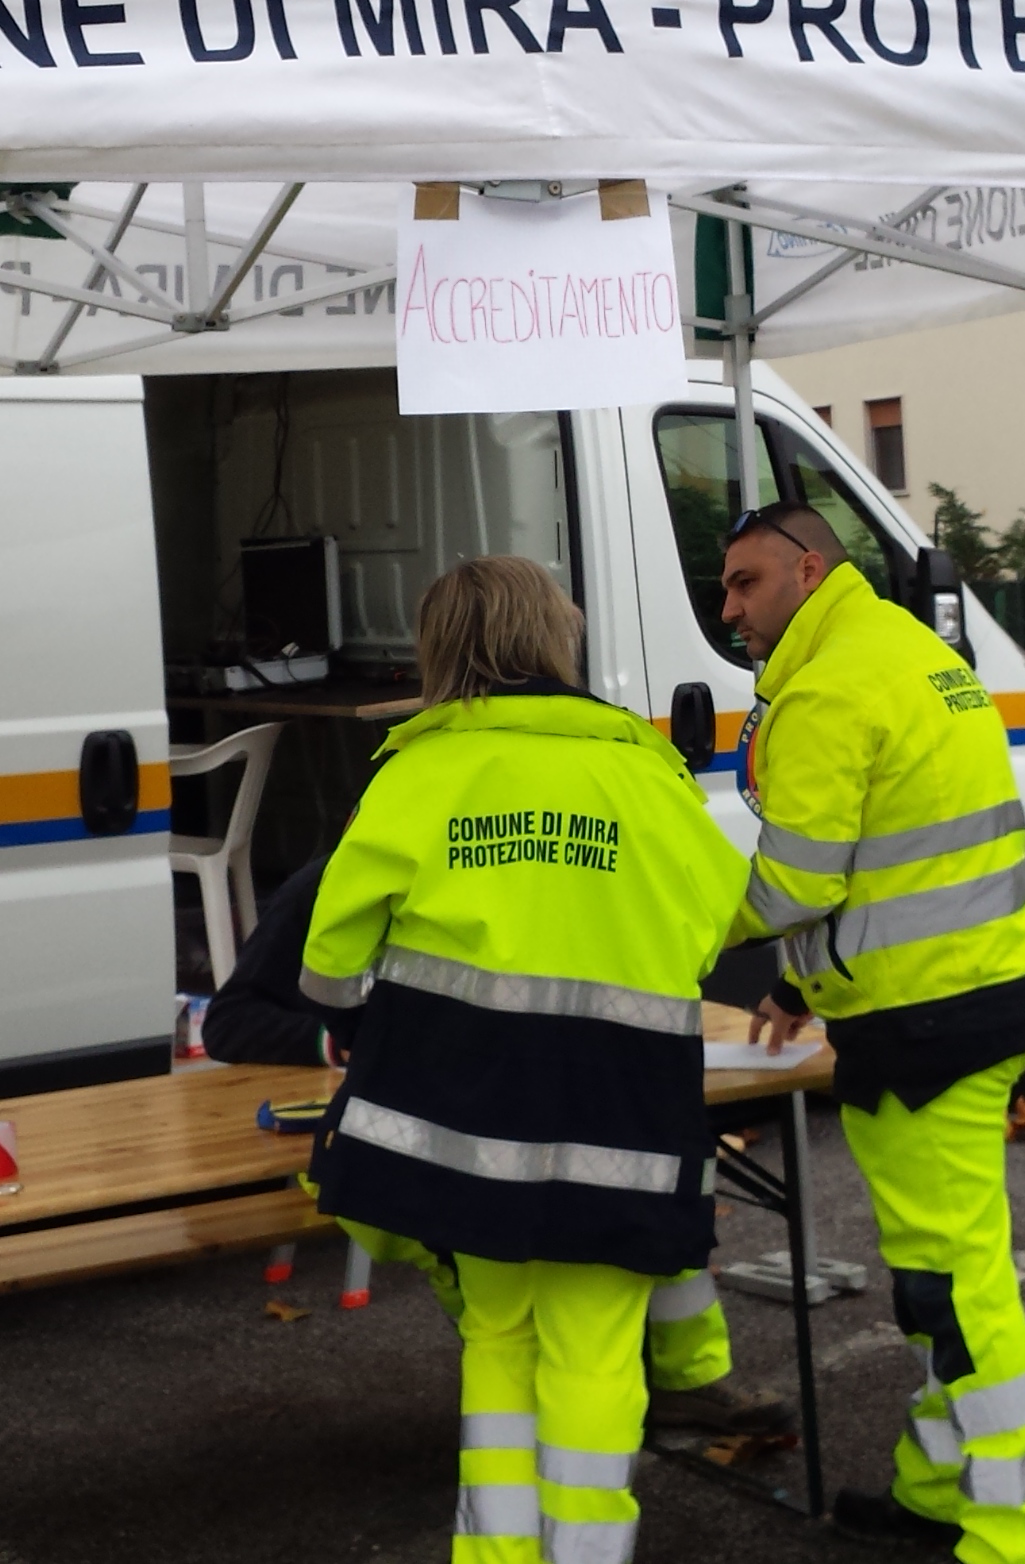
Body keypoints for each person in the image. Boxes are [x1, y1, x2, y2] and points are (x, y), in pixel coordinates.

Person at [302, 556, 748, 1564]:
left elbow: (328, 969)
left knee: (498, 1342)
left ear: (439, 650)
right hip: (623, 1119)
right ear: (557, 638)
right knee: (596, 1359)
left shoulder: (416, 773)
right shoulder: (646, 773)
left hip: (468, 1133)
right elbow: (721, 923)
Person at [722, 504, 1025, 1562]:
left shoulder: (828, 687)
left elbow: (794, 884)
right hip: (988, 991)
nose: (730, 608)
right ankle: (938, 1489)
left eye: (745, 583)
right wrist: (801, 986)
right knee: (937, 1276)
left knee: (960, 1286)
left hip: (927, 1024)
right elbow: (895, 856)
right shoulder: (910, 649)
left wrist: (669, 924)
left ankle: (1020, 1538)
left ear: (806, 570)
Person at [201, 848, 788, 1436]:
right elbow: (230, 1023)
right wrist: (341, 1042)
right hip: (388, 1135)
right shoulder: (334, 880)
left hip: (494, 1107)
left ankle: (681, 1380)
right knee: (474, 1238)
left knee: (645, 1192)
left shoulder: (500, 867)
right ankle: (533, 1388)